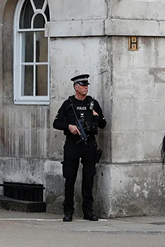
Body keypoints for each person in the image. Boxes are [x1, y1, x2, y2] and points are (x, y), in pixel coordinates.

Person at [53, 74, 106, 222]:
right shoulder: (68, 104)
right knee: (70, 178)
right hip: (72, 144)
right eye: (83, 86)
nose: (86, 88)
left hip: (88, 144)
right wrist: (69, 126)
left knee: (88, 178)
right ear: (76, 87)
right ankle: (68, 210)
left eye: (87, 85)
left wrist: (96, 117)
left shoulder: (92, 103)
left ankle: (88, 211)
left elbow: (103, 124)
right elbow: (56, 123)